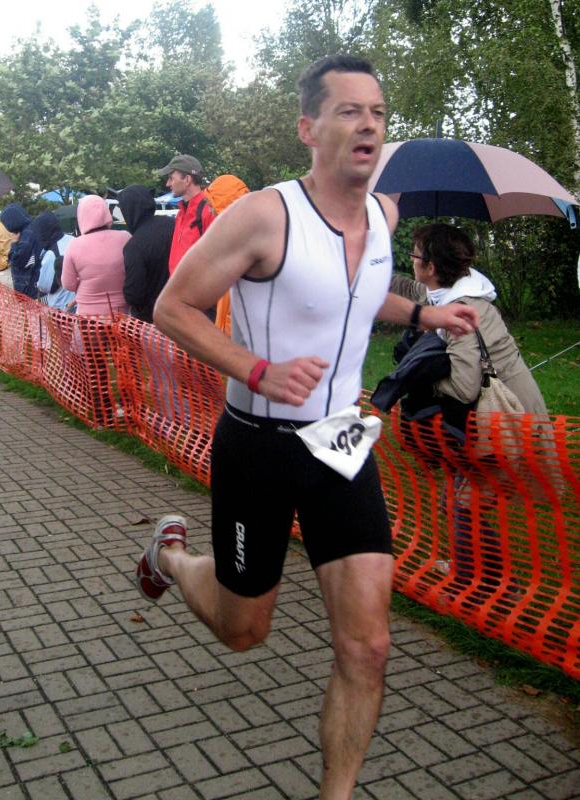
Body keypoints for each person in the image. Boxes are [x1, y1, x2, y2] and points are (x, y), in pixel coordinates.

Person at [137, 55, 478, 799]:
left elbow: (358, 291)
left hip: (340, 444)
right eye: (349, 111)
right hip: (257, 446)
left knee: (369, 646)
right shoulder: (265, 215)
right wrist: (256, 369)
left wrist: (422, 314)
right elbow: (172, 307)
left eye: (377, 113)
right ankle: (170, 557)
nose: (368, 125)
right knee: (244, 631)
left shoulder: (385, 216)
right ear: (308, 128)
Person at [391, 223, 547, 599]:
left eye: (415, 254)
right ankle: (479, 576)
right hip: (483, 422)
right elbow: (408, 290)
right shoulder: (443, 293)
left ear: (430, 266)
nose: (411, 261)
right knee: (460, 498)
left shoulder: (466, 310)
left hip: (508, 423)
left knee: (464, 503)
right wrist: (362, 265)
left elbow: (462, 387)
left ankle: (481, 586)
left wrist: (419, 382)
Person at [156, 154, 216, 318]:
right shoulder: (182, 212)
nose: (168, 184)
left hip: (200, 304)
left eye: (171, 178)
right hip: (183, 300)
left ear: (187, 179)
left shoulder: (208, 210)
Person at [61, 195, 130, 316]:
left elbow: (68, 284)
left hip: (88, 316)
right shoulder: (125, 237)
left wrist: (86, 282)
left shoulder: (74, 245)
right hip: (122, 313)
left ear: (81, 216)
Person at [118, 185, 174, 323]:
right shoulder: (175, 224)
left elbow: (134, 294)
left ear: (128, 211)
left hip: (153, 319)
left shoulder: (134, 246)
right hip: (186, 309)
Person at [31, 211, 76, 311]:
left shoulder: (52, 253)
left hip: (61, 305)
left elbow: (45, 286)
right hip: (78, 301)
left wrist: (37, 284)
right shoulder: (74, 240)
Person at [0, 203, 42, 298]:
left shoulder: (26, 235)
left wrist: (14, 243)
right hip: (34, 282)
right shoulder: (33, 228)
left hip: (28, 286)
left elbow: (18, 261)